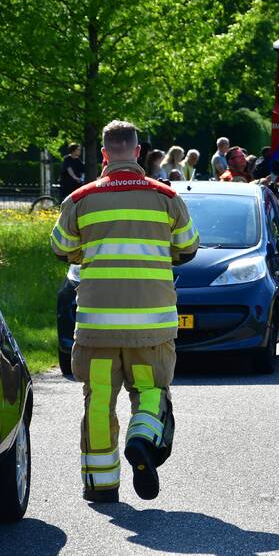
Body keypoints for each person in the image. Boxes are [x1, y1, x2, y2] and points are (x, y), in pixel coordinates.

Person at [49, 119, 199, 504]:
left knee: (98, 399)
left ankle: (101, 485)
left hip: (97, 327)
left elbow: (61, 248)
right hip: (151, 328)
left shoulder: (79, 200)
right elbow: (188, 247)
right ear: (137, 152)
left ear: (103, 154)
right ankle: (142, 437)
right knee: (151, 390)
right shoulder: (166, 196)